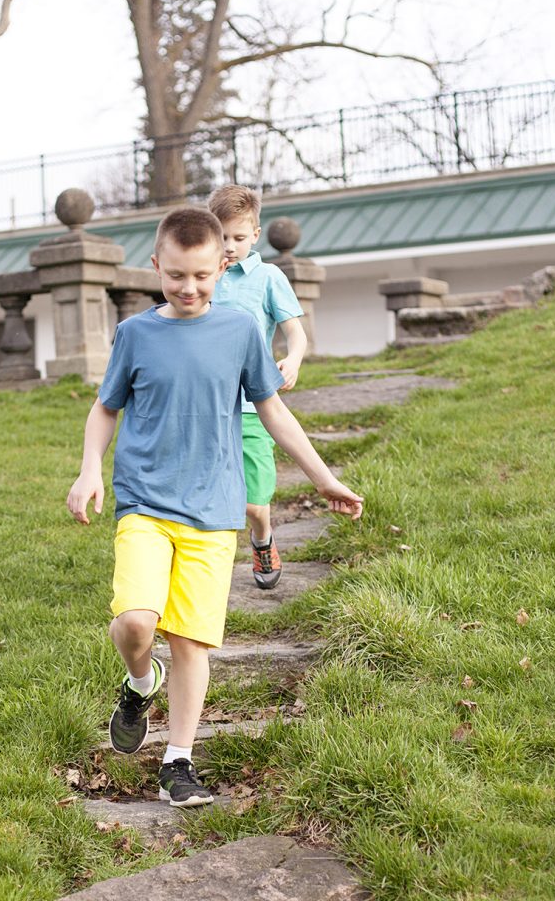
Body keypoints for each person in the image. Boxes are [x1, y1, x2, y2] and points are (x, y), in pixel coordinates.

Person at [66, 207, 362, 808]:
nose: (189, 287)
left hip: (213, 512)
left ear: (222, 267)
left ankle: (178, 761)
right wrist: (89, 468)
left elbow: (273, 410)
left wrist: (325, 478)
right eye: (176, 275)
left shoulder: (239, 331)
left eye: (201, 275)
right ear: (156, 266)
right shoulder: (135, 334)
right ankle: (140, 681)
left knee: (190, 643)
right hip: (145, 503)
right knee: (135, 623)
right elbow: (105, 407)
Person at [208, 184, 307, 590]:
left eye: (238, 237)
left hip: (253, 406)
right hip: (208, 406)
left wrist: (293, 359)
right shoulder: (203, 277)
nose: (229, 247)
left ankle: (262, 536)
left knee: (254, 501)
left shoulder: (268, 277)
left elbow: (295, 332)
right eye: (222, 237)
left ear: (255, 234)